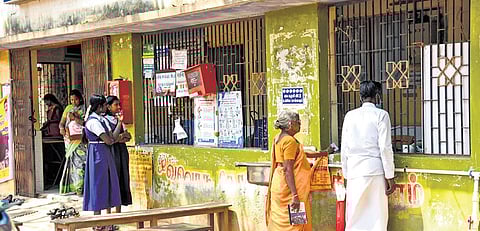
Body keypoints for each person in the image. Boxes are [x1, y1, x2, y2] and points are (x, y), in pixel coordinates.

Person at [340, 80, 395, 231]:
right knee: (377, 217)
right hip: (375, 171)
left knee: (354, 217)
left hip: (355, 172)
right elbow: (385, 148)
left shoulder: (350, 116)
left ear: (361, 97)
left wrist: (346, 173)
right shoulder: (382, 115)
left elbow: (344, 148)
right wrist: (390, 176)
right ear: (377, 96)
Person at [265, 110, 312, 231]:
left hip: (278, 183)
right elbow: (288, 169)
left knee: (279, 222)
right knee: (295, 222)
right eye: (298, 122)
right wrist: (295, 195)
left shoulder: (278, 138)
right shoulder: (289, 141)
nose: (300, 124)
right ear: (291, 124)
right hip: (288, 186)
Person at [83, 94, 123, 215]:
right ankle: (98, 221)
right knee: (99, 184)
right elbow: (109, 140)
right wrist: (119, 137)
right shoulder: (93, 122)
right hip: (97, 153)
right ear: (99, 107)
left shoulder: (102, 120)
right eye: (105, 105)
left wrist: (120, 123)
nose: (106, 107)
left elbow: (112, 138)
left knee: (109, 183)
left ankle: (108, 220)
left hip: (105, 153)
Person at [105, 95, 132, 213]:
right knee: (111, 180)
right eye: (115, 105)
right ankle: (108, 211)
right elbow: (110, 139)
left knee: (122, 178)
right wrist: (119, 137)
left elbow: (128, 136)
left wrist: (119, 137)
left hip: (121, 152)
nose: (118, 107)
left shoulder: (118, 120)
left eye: (118, 104)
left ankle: (119, 211)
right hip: (111, 153)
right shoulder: (104, 120)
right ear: (108, 107)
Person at [58, 89, 87, 195]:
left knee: (80, 164)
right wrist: (61, 128)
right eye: (71, 100)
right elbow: (62, 122)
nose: (73, 102)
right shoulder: (68, 108)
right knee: (72, 163)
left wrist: (75, 118)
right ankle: (74, 187)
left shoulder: (84, 109)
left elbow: (85, 123)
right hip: (69, 140)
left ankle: (81, 188)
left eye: (75, 99)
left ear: (80, 99)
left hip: (81, 140)